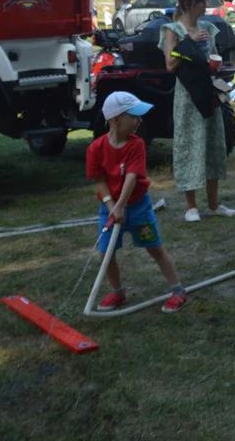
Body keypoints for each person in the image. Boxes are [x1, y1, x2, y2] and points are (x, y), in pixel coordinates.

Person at [88, 91, 188, 313]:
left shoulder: (136, 145)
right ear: (116, 120)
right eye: (134, 116)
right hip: (110, 209)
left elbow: (132, 177)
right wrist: (111, 207)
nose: (139, 120)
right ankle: (117, 291)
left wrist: (121, 205)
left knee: (155, 248)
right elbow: (100, 181)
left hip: (138, 207)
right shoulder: (95, 149)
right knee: (106, 253)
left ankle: (179, 290)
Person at [162, 0, 235, 223]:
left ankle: (214, 205)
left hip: (208, 91)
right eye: (202, 2)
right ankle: (191, 207)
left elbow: (214, 57)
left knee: (213, 145)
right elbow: (170, 66)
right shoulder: (172, 29)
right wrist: (189, 42)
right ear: (187, 5)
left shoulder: (209, 27)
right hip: (187, 95)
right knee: (189, 146)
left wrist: (220, 69)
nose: (206, 6)